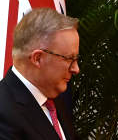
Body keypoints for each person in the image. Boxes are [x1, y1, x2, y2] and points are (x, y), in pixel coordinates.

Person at [0, 8, 79, 140]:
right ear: (37, 58)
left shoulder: (54, 98)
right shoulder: (3, 112)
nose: (76, 69)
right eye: (69, 59)